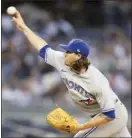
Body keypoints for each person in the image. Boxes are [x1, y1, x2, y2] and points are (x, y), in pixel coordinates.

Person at [11, 9, 131, 137]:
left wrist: (82, 126)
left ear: (79, 56)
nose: (65, 54)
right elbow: (43, 48)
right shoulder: (63, 60)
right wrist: (24, 27)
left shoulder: (96, 80)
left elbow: (109, 115)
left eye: (69, 52)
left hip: (112, 116)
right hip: (102, 115)